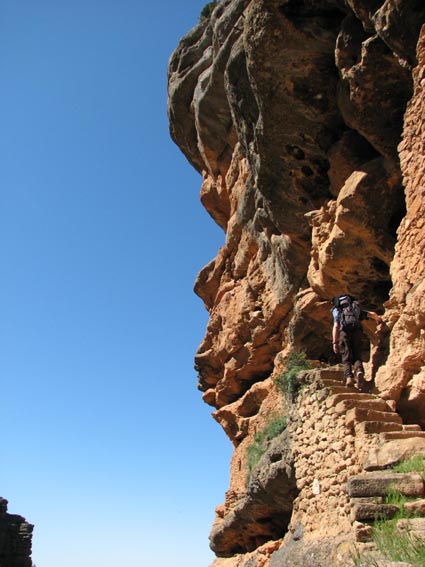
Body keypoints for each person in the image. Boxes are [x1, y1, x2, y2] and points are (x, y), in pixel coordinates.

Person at [331, 294, 382, 390]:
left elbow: (336, 326)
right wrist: (379, 320)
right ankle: (359, 372)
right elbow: (372, 314)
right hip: (357, 331)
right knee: (356, 354)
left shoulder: (337, 309)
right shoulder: (354, 307)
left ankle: (349, 377)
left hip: (344, 333)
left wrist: (334, 342)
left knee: (346, 356)